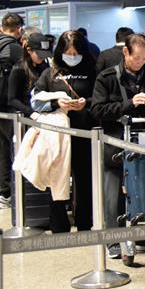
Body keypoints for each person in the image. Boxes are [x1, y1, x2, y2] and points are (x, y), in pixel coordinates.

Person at [91, 34, 145, 253]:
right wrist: (130, 103)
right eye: (137, 58)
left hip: (143, 140)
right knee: (113, 193)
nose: (141, 62)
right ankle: (114, 240)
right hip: (115, 142)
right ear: (125, 52)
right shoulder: (107, 77)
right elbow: (97, 110)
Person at [33, 30, 98, 232]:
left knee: (85, 179)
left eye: (76, 53)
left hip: (85, 133)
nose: (72, 57)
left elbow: (101, 99)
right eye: (68, 53)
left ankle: (85, 222)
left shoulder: (93, 71)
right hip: (57, 135)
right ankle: (59, 224)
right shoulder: (50, 73)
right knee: (56, 178)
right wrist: (56, 103)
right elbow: (35, 101)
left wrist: (86, 102)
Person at [7, 32, 65, 231]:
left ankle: (49, 212)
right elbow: (11, 99)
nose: (41, 58)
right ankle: (28, 214)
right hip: (27, 122)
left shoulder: (45, 68)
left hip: (46, 122)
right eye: (38, 54)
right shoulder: (18, 70)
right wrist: (31, 113)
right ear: (28, 50)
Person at [0, 14, 25, 208]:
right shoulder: (14, 48)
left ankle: (5, 193)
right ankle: (19, 193)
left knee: (2, 150)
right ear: (19, 29)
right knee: (18, 150)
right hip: (13, 105)